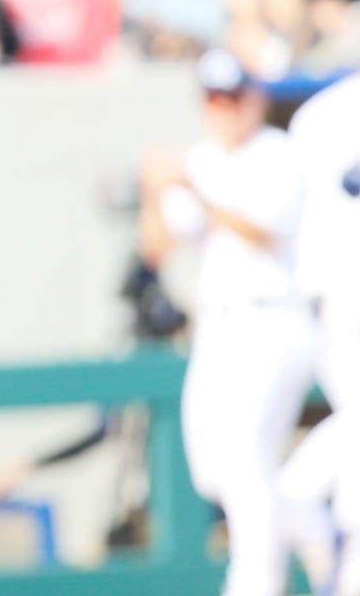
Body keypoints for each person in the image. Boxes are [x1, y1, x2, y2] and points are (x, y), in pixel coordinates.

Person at [137, 49, 329, 596]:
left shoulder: (279, 154)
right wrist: (155, 192)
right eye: (214, 99)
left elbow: (264, 231)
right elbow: (158, 250)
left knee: (246, 462)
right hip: (218, 328)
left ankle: (255, 585)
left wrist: (189, 185)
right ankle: (314, 526)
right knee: (213, 473)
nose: (224, 110)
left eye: (234, 97)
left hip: (273, 321)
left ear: (255, 99)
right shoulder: (201, 160)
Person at [278, 69, 360, 595]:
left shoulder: (318, 113)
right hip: (340, 294)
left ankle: (294, 502)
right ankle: (291, 501)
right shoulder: (326, 113)